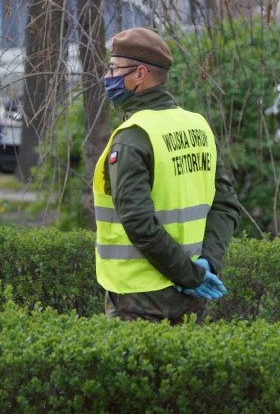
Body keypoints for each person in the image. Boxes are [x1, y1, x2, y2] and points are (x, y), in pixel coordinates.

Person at [93, 27, 241, 323]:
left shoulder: (133, 137)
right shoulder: (197, 126)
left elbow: (138, 223)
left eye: (114, 69)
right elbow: (226, 204)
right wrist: (205, 266)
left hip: (138, 298)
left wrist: (191, 276)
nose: (108, 77)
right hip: (191, 297)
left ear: (141, 73)